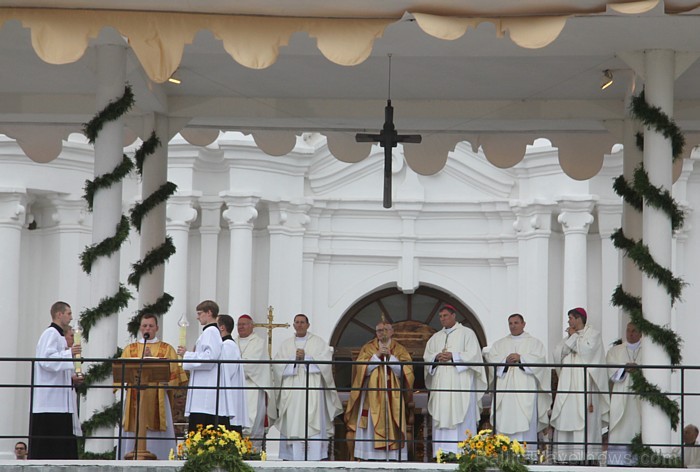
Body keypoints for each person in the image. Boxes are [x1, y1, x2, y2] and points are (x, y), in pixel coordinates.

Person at [273, 314, 343, 460]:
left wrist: (307, 359)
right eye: (297, 322)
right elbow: (277, 367)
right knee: (293, 418)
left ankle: (314, 456)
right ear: (293, 325)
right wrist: (294, 360)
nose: (299, 325)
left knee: (313, 419)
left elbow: (326, 365)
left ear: (308, 325)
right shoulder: (286, 344)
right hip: (292, 390)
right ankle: (292, 456)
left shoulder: (318, 342)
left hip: (312, 389)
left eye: (302, 322)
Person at [118, 313, 188, 459]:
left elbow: (175, 374)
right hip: (134, 399)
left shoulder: (167, 349)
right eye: (144, 326)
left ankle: (162, 459)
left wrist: (154, 364)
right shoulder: (130, 349)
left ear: (156, 328)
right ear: (140, 328)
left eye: (150, 326)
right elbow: (121, 373)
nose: (147, 329)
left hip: (159, 399)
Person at [344, 320, 414, 461]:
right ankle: (369, 456)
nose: (383, 333)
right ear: (376, 333)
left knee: (394, 421)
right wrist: (376, 356)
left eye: (386, 330)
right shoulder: (368, 348)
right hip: (371, 396)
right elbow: (361, 370)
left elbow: (407, 372)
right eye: (379, 330)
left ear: (392, 331)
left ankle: (393, 457)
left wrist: (391, 358)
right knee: (370, 423)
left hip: (392, 396)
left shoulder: (399, 349)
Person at [424, 304, 487, 456]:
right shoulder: (435, 337)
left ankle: (463, 453)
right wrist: (436, 357)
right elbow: (427, 357)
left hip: (461, 383)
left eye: (445, 316)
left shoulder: (467, 333)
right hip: (441, 385)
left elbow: (474, 355)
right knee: (442, 413)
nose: (442, 319)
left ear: (454, 316)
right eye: (440, 317)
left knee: (462, 414)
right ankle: (442, 454)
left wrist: (454, 356)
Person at [484, 313, 550, 455]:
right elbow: (492, 362)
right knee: (504, 418)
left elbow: (540, 362)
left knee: (525, 420)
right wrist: (505, 362)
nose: (513, 326)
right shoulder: (499, 344)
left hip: (525, 389)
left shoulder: (534, 343)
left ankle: (527, 455)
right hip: (505, 390)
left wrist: (522, 359)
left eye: (516, 323)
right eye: (510, 323)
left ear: (523, 324)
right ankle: (503, 454)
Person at [550, 307, 609, 465]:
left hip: (585, 384)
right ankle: (564, 456)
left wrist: (572, 338)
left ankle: (587, 456)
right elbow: (558, 354)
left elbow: (586, 351)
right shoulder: (569, 336)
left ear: (578, 318)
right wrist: (570, 339)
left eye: (570, 318)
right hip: (567, 384)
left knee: (585, 419)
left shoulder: (593, 334)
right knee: (565, 416)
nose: (569, 321)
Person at [29, 301, 81, 459]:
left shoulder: (59, 336)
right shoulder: (50, 333)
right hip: (50, 401)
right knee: (50, 447)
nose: (71, 317)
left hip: (59, 401)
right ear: (59, 314)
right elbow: (45, 360)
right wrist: (69, 353)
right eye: (69, 313)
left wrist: (71, 376)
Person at [177, 300, 228, 432]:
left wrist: (187, 355)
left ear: (209, 313)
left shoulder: (211, 332)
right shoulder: (209, 332)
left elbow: (210, 357)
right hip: (203, 389)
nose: (197, 317)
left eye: (200, 313)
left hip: (206, 392)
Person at [235, 314, 276, 448]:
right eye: (239, 324)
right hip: (235, 388)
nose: (241, 327)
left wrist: (234, 367)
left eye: (244, 324)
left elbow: (251, 367)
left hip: (253, 386)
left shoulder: (259, 342)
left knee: (252, 425)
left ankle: (253, 454)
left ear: (251, 326)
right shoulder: (232, 343)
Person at [606, 322, 642, 466]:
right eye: (628, 330)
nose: (630, 333)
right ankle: (617, 463)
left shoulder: (649, 351)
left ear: (640, 333)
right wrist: (624, 369)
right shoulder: (616, 351)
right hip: (620, 394)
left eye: (634, 330)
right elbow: (609, 370)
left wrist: (638, 369)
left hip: (639, 397)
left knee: (637, 426)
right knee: (619, 430)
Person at [217, 314, 248, 434]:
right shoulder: (225, 345)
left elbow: (226, 373)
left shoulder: (227, 346)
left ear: (222, 328)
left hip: (229, 399)